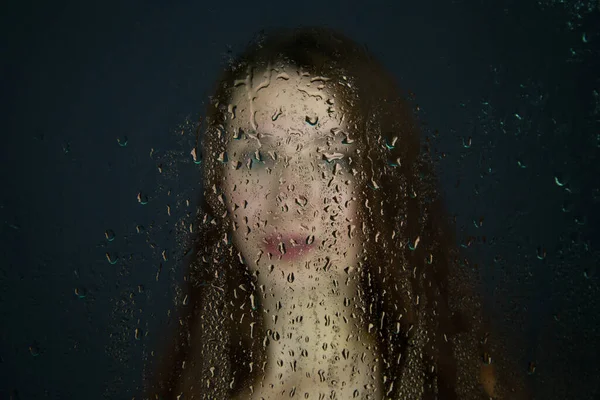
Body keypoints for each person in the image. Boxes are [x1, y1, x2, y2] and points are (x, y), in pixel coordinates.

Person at [145, 27, 521, 399]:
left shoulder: (462, 386)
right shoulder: (185, 386)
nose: (291, 197)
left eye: (333, 160)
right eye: (257, 158)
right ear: (218, 188)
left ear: (382, 185)